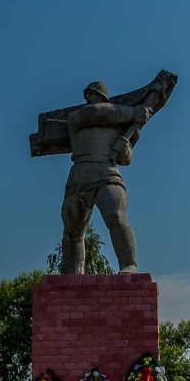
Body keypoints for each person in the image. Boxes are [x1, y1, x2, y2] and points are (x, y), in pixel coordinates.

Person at [61, 81, 153, 274]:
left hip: (108, 172)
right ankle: (73, 273)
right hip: (80, 175)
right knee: (72, 229)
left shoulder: (119, 126)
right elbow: (95, 113)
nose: (88, 98)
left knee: (116, 215)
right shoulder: (77, 117)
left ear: (102, 97)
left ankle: (129, 265)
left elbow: (126, 160)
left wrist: (124, 149)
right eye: (86, 94)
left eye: (92, 94)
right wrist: (134, 112)